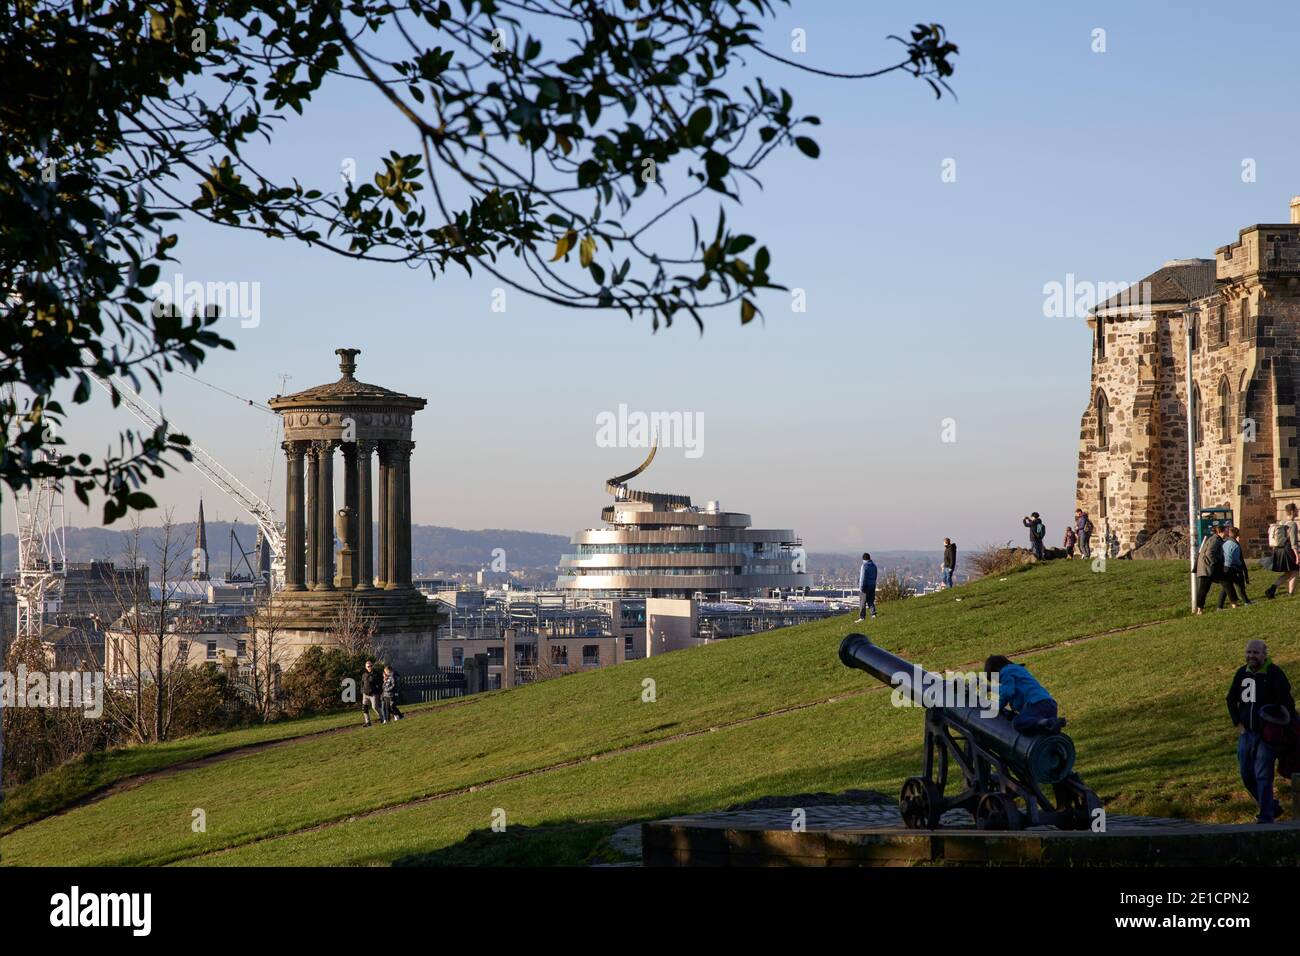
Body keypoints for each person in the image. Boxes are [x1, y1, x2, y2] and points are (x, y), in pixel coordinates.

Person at [1226, 639, 1294, 823]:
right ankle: (1271, 806)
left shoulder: (1274, 673)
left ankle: (1266, 816)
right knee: (1246, 774)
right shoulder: (1242, 673)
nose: (1251, 656)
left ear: (1264, 654)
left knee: (1263, 774)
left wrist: (1280, 725)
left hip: (1267, 735)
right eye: (1249, 652)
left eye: (1256, 652)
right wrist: (1238, 724)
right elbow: (1231, 699)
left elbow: (1286, 704)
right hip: (1246, 734)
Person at [984, 655, 1066, 734]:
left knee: (1017, 722)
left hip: (1034, 704)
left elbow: (1007, 692)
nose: (999, 682)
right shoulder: (1017, 669)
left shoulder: (1005, 673)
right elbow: (1009, 688)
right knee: (1046, 733)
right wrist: (991, 688)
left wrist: (997, 707)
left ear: (996, 671)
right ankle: (1050, 724)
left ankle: (1047, 722)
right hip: (1049, 703)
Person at [1264, 503, 1300, 599]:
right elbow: (1293, 542)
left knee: (1288, 573)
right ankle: (1290, 594)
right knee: (1296, 571)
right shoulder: (1292, 524)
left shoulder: (1281, 522)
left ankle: (1271, 589)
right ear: (1292, 511)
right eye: (1296, 510)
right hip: (1288, 550)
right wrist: (1297, 556)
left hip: (1279, 550)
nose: (1298, 511)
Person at [1219, 525, 1252, 608]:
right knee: (1239, 585)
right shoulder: (1235, 545)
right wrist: (1241, 567)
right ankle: (1246, 602)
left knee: (1226, 587)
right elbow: (1237, 559)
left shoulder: (1224, 543)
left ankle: (1219, 606)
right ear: (1237, 535)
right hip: (1233, 567)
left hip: (1224, 567)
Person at [855, 552, 878, 622]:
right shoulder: (874, 565)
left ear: (863, 559)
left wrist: (861, 587)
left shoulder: (864, 566)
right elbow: (875, 576)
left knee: (862, 602)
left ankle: (862, 617)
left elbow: (862, 577)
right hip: (872, 585)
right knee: (871, 601)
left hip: (865, 586)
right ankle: (873, 614)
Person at [360, 658, 382, 727]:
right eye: (368, 666)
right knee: (364, 708)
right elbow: (362, 683)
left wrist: (378, 691)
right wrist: (362, 690)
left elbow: (381, 683)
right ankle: (368, 722)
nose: (370, 667)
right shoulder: (364, 674)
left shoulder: (376, 674)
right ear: (366, 667)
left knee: (375, 707)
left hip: (373, 693)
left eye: (371, 666)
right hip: (365, 694)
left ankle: (382, 717)